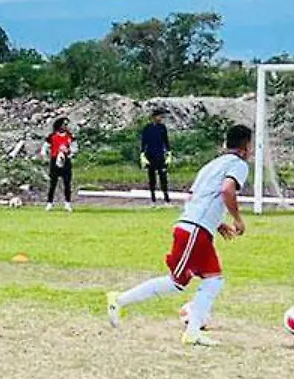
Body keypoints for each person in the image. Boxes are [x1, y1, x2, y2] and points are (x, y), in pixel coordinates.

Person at [107, 124, 253, 347]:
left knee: (213, 279)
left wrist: (216, 222)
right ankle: (119, 300)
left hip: (195, 228)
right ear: (245, 146)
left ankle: (193, 331)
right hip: (194, 230)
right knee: (177, 282)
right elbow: (226, 190)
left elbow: (193, 197)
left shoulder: (211, 165)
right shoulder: (238, 164)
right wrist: (237, 219)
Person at [42, 117, 76, 212]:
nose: (65, 126)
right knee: (53, 183)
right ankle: (49, 203)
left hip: (66, 161)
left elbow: (75, 148)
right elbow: (45, 147)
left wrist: (69, 153)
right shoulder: (52, 136)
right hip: (54, 160)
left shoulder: (70, 136)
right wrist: (45, 157)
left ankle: (67, 203)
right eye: (64, 124)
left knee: (67, 183)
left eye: (66, 125)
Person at [141, 108, 172, 205]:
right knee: (152, 178)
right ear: (154, 117)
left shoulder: (162, 127)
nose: (160, 118)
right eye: (159, 116)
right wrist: (142, 154)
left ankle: (166, 200)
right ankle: (153, 199)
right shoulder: (147, 128)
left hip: (160, 155)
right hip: (150, 155)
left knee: (163, 177)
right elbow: (143, 142)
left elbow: (166, 141)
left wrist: (169, 153)